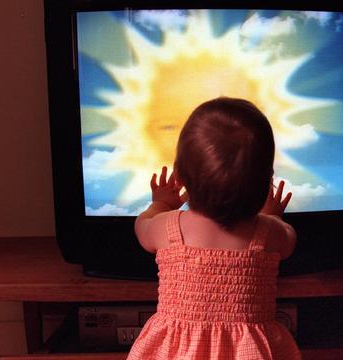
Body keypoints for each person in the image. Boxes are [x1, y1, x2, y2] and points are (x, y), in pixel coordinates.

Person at [127, 97, 301, 360]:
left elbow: (141, 227)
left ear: (180, 176)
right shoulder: (268, 233)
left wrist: (161, 203)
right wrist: (272, 215)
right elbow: (289, 239)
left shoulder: (167, 227)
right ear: (267, 182)